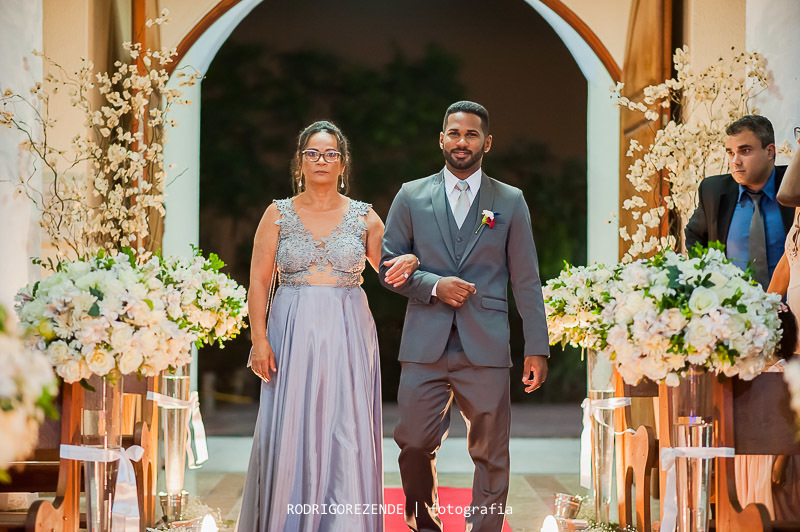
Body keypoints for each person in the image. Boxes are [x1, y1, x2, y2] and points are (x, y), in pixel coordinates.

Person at [238, 121, 418, 531]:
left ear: (343, 164)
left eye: (331, 154)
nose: (322, 160)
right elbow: (259, 282)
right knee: (290, 427)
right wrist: (259, 340)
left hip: (348, 329)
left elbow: (391, 271)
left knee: (345, 424)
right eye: (313, 153)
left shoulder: (365, 216)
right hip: (291, 330)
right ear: (299, 161)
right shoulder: (277, 214)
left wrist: (413, 260)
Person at [380, 101, 550, 531]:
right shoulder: (411, 195)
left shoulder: (509, 201)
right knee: (414, 444)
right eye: (454, 133)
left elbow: (526, 280)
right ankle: (424, 522)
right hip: (424, 341)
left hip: (487, 342)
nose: (462, 141)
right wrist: (434, 285)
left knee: (491, 452)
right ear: (441, 139)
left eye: (471, 134)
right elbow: (388, 268)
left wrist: (537, 347)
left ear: (486, 143)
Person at [684, 115, 793, 288]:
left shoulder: (794, 187)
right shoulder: (713, 191)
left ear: (770, 151)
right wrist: (709, 284)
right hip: (735, 310)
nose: (735, 161)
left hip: (792, 309)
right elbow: (694, 236)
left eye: (745, 151)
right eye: (731, 153)